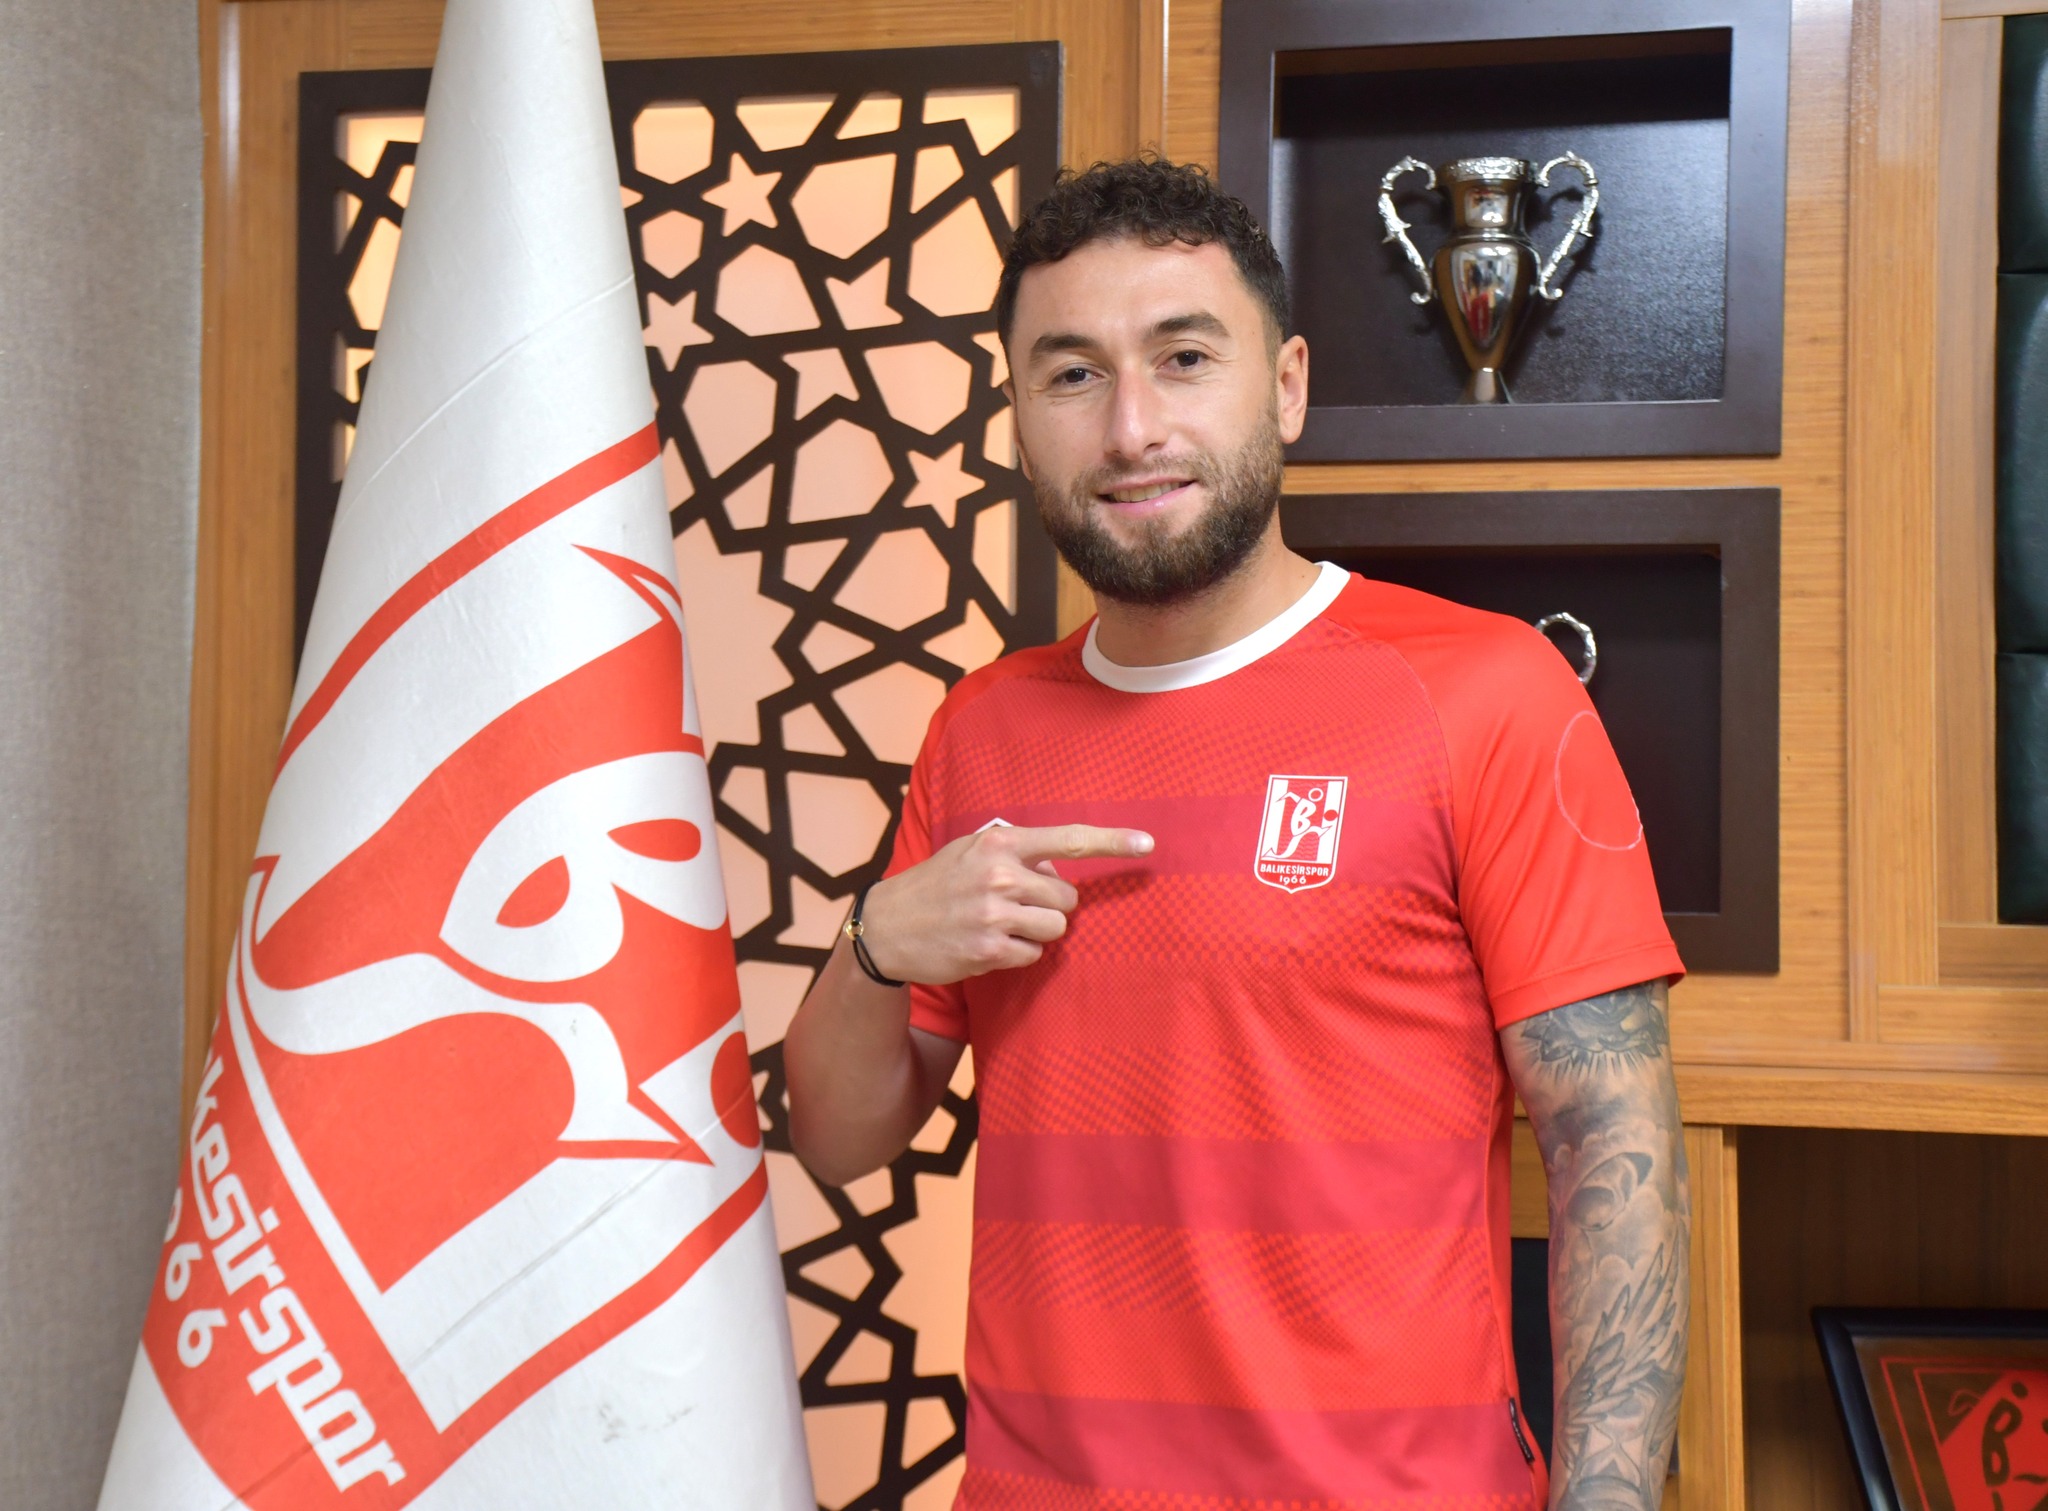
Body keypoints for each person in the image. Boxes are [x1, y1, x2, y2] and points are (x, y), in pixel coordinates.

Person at [783, 157, 1689, 1511]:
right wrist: (870, 942)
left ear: (1287, 387)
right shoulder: (981, 730)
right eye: (1071, 375)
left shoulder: (1489, 693)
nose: (1130, 426)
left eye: (1185, 358)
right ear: (1019, 419)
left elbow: (1611, 1148)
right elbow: (842, 1138)